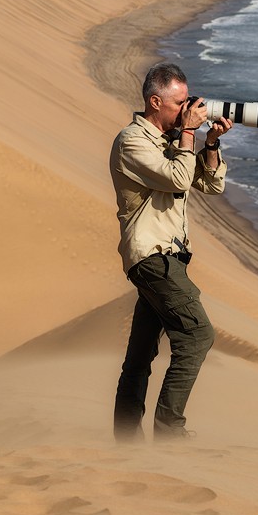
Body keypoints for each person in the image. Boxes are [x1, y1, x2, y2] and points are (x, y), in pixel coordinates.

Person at [110, 62, 232, 441]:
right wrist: (191, 133)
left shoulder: (172, 142)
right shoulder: (132, 141)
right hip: (151, 257)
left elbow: (211, 186)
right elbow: (179, 177)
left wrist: (209, 143)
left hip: (169, 258)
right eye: (181, 103)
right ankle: (169, 431)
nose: (188, 108)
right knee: (197, 335)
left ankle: (125, 441)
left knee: (140, 355)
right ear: (155, 101)